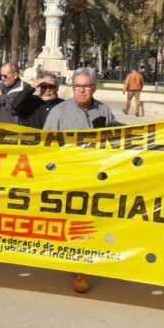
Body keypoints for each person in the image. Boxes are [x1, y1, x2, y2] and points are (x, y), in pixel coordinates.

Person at [43, 68, 121, 294]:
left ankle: (82, 269)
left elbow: (119, 139)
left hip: (96, 179)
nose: (81, 90)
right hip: (70, 179)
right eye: (77, 86)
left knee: (89, 225)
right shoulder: (59, 112)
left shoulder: (104, 110)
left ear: (94, 88)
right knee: (74, 224)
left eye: (86, 86)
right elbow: (46, 147)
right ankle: (77, 265)